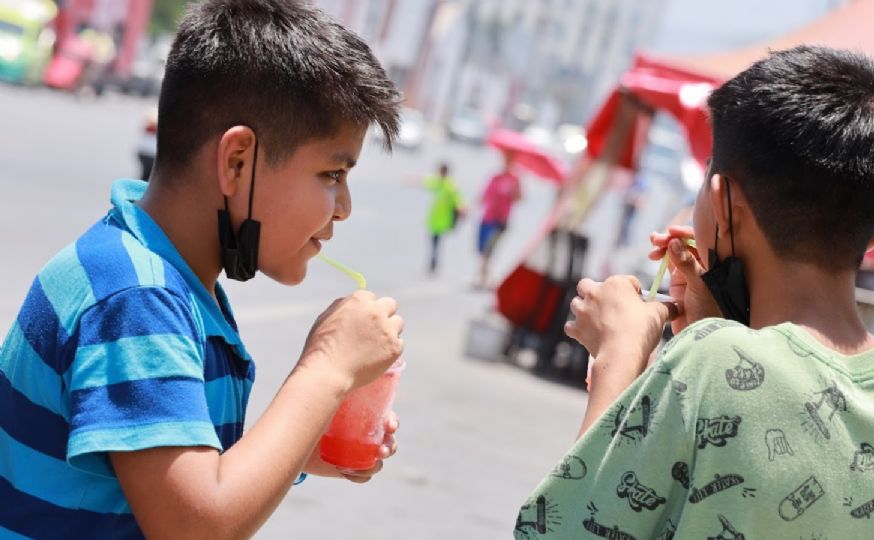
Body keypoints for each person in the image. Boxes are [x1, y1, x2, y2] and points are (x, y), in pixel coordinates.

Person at [0, 1, 405, 538]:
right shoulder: (134, 295)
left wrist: (299, 448)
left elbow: (170, 475)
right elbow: (195, 525)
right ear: (237, 161)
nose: (343, 207)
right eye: (332, 173)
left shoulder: (168, 280)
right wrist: (328, 369)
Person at [515, 46, 874, 540]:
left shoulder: (710, 360)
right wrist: (714, 324)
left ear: (724, 201)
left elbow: (559, 531)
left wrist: (619, 353)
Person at [476, 153, 521, 288]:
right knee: (482, 248)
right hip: (487, 217)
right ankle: (488, 278)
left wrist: (513, 191)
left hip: (501, 220)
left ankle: (484, 278)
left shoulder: (515, 179)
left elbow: (519, 198)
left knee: (489, 249)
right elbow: (483, 195)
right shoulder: (495, 177)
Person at [423, 162, 464, 274]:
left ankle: (434, 262)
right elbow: (426, 182)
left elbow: (458, 201)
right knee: (434, 242)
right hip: (435, 220)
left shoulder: (450, 186)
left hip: (443, 220)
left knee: (436, 242)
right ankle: (433, 261)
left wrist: (461, 211)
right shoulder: (439, 182)